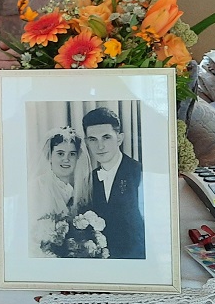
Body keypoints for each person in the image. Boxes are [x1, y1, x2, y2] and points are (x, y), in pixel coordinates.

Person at [82, 107, 145, 259]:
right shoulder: (91, 179)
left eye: (106, 137)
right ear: (86, 143)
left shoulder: (139, 172)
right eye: (93, 139)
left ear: (119, 138)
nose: (100, 146)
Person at [29, 126, 92, 257]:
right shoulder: (37, 187)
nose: (66, 159)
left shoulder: (78, 189)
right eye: (60, 153)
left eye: (72, 154)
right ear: (50, 156)